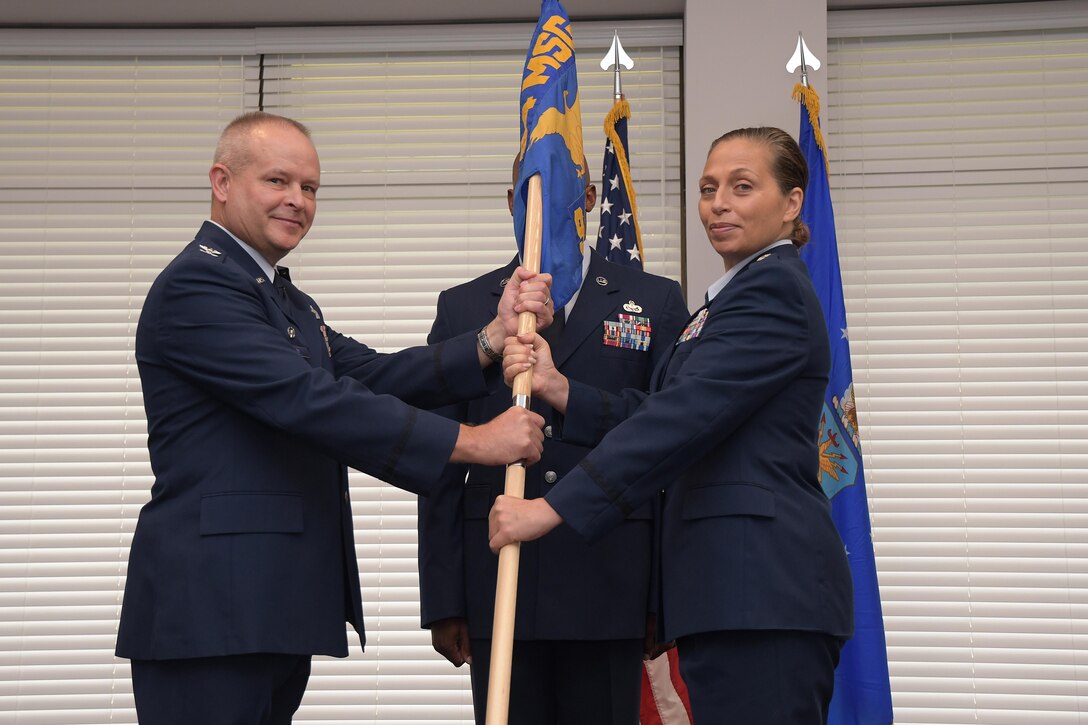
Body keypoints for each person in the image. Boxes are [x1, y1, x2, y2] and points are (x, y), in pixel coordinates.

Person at [115, 111, 552, 724]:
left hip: (271, 605)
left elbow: (371, 376)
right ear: (221, 181)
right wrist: (476, 441)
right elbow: (310, 401)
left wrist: (490, 336)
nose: (297, 200)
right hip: (211, 612)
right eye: (278, 181)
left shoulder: (285, 298)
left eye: (310, 187)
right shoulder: (198, 286)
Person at [490, 127, 855, 724]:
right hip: (731, 594)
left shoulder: (773, 292)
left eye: (743, 187)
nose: (719, 203)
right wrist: (561, 389)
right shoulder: (729, 300)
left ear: (791, 203)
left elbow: (679, 421)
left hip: (763, 594)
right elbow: (671, 410)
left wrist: (549, 510)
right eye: (709, 188)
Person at [417, 156, 689, 724]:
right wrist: (444, 599)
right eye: (527, 190)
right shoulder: (465, 307)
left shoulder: (655, 300)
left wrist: (661, 596)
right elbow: (442, 456)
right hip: (498, 580)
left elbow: (668, 437)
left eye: (562, 187)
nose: (540, 203)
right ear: (511, 200)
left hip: (610, 578)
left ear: (589, 197)